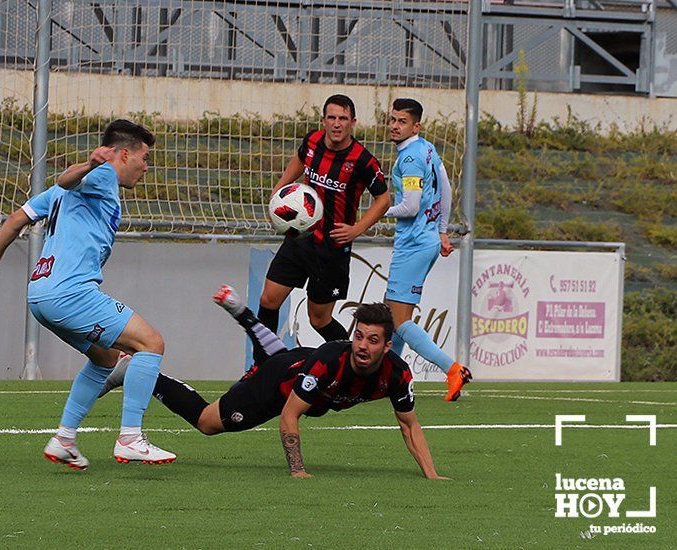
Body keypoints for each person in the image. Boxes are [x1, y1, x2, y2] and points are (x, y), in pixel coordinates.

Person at [0, 119, 175, 470]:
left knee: (105, 358)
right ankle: (130, 438)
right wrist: (92, 164)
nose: (146, 167)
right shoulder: (103, 176)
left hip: (40, 295)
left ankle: (65, 438)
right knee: (151, 343)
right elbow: (69, 177)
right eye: (144, 158)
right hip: (70, 294)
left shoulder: (60, 195)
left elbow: (18, 217)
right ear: (125, 154)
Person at [101, 285, 450, 480]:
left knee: (282, 356)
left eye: (373, 341)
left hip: (296, 363)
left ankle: (244, 315)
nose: (363, 346)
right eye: (359, 337)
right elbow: (289, 416)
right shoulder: (332, 360)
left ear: (387, 346)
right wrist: (297, 470)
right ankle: (137, 371)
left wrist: (431, 475)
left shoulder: (398, 373)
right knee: (208, 423)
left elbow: (410, 425)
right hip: (276, 387)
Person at [259, 94, 390, 344]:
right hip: (301, 236)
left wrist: (356, 229)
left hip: (332, 247)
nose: (337, 123)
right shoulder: (312, 140)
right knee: (268, 299)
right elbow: (301, 158)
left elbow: (383, 200)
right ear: (324, 121)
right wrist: (279, 188)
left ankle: (348, 365)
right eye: (332, 118)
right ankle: (262, 364)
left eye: (343, 118)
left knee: (318, 319)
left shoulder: (363, 160)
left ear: (353, 122)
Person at [385, 98, 472, 401]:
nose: (395, 126)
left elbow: (409, 206)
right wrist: (443, 230)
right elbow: (445, 188)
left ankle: (452, 369)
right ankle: (390, 379)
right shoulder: (428, 149)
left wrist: (380, 211)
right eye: (393, 119)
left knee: (397, 320)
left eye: (402, 121)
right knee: (393, 315)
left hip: (413, 244)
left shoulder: (409, 157)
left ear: (416, 126)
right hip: (428, 241)